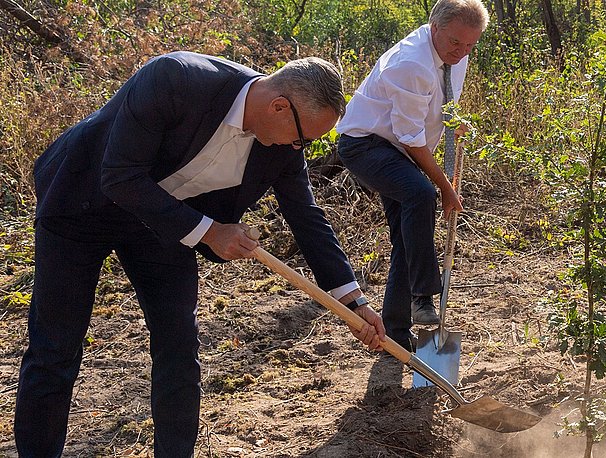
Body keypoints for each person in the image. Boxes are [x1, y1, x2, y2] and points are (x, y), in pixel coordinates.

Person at [17, 51, 387, 457]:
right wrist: (210, 232)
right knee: (55, 348)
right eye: (302, 139)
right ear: (280, 106)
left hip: (165, 223)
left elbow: (306, 217)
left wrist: (353, 301)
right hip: (81, 203)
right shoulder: (176, 79)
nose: (299, 149)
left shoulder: (281, 144)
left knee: (179, 345)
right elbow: (120, 177)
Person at [337, 0, 487, 349]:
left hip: (397, 148)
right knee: (421, 194)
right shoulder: (412, 64)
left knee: (408, 237)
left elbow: (436, 107)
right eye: (456, 43)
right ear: (435, 28)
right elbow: (411, 139)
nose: (462, 52)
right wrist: (446, 187)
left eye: (470, 45)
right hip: (365, 144)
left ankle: (396, 335)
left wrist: (453, 121)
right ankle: (423, 295)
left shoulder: (453, 55)